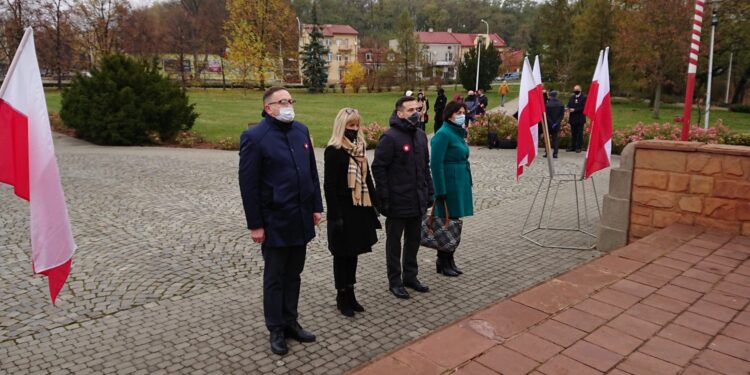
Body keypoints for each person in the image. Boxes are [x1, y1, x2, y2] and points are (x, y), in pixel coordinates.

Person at [239, 87, 323, 356]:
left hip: (300, 217)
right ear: (268, 108)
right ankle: (275, 328)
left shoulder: (301, 131)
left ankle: (291, 321)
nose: (288, 105)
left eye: (290, 100)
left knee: (294, 274)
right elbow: (248, 185)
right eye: (282, 101)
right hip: (275, 219)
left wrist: (316, 206)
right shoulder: (255, 137)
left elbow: (311, 171)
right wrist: (255, 224)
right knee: (275, 276)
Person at [372, 96, 434, 300]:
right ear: (399, 113)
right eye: (409, 110)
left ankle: (410, 276)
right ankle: (395, 281)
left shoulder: (420, 135)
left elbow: (425, 167)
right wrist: (384, 199)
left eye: (417, 109)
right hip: (397, 201)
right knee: (394, 243)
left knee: (414, 240)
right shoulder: (390, 138)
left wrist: (430, 192)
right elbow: (378, 168)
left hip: (417, 200)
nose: (415, 113)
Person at [324, 108, 381, 317]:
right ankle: (341, 295)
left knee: (354, 252)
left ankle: (351, 291)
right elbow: (329, 186)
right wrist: (335, 216)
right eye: (350, 126)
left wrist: (375, 202)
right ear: (342, 127)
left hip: (359, 208)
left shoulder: (360, 149)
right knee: (342, 255)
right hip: (342, 210)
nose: (354, 129)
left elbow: (368, 178)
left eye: (357, 125)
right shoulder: (334, 151)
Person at [430, 101, 474, 277]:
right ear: (449, 115)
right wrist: (440, 190)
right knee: (446, 223)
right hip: (449, 184)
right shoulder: (443, 134)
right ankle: (443, 259)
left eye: (463, 112)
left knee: (454, 223)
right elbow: (435, 163)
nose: (461, 115)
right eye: (458, 112)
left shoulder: (457, 133)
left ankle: (449, 259)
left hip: (459, 182)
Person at [544, 90, 565, 159]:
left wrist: (551, 122)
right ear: (556, 95)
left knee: (547, 139)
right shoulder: (561, 103)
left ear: (550, 96)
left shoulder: (548, 104)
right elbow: (562, 115)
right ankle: (555, 153)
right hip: (556, 124)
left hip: (549, 124)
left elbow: (546, 115)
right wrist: (556, 123)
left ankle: (547, 153)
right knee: (555, 138)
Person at [566, 85, 586, 152]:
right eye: (575, 89)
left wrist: (574, 110)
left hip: (580, 118)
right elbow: (569, 104)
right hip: (573, 118)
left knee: (579, 133)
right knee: (573, 133)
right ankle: (572, 146)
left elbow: (583, 107)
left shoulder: (584, 98)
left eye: (577, 89)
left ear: (580, 90)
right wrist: (568, 108)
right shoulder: (572, 97)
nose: (575, 91)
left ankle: (579, 147)